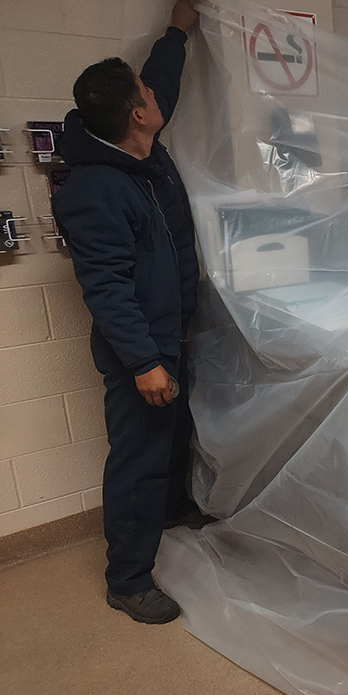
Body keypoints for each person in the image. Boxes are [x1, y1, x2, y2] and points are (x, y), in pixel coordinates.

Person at [54, 0, 212, 625]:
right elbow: (106, 288)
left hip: (172, 334)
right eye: (146, 93)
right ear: (137, 115)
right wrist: (145, 362)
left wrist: (177, 30)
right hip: (139, 351)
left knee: (174, 441)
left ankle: (172, 512)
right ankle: (128, 578)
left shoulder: (134, 144)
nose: (156, 96)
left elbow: (162, 82)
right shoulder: (95, 188)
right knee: (139, 459)